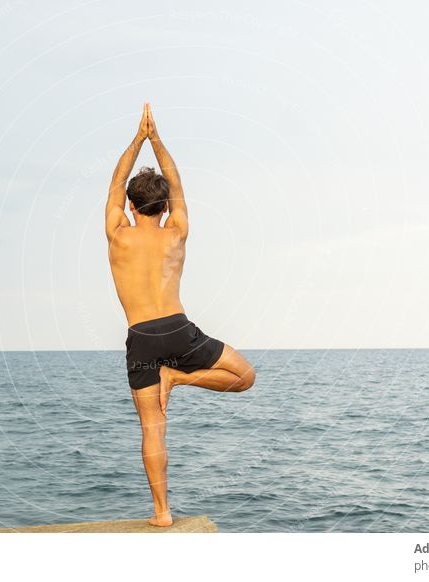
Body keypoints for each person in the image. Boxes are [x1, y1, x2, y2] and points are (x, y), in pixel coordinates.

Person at [105, 102, 256, 527]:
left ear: (131, 207)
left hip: (140, 337)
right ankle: (179, 376)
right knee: (245, 377)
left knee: (152, 430)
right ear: (166, 206)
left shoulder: (117, 234)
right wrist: (158, 140)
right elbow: (176, 180)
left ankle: (162, 513)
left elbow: (116, 182)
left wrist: (138, 140)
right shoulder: (177, 231)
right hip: (178, 330)